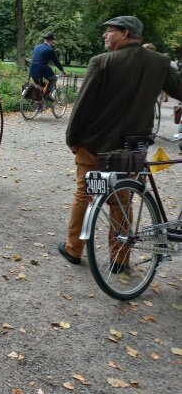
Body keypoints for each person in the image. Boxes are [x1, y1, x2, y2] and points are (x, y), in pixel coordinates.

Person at [59, 15, 182, 267]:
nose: (105, 35)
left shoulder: (102, 62)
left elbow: (82, 107)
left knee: (86, 194)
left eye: (110, 31)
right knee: (122, 198)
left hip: (95, 144)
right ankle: (119, 259)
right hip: (131, 147)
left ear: (126, 34)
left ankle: (74, 249)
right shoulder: (160, 63)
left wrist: (72, 138)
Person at [28, 32, 66, 99]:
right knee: (54, 79)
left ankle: (39, 103)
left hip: (32, 70)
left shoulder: (36, 47)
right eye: (52, 41)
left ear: (44, 40)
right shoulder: (50, 50)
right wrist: (62, 71)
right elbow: (56, 62)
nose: (52, 43)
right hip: (41, 69)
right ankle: (46, 95)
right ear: (50, 40)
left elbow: (37, 59)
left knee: (39, 86)